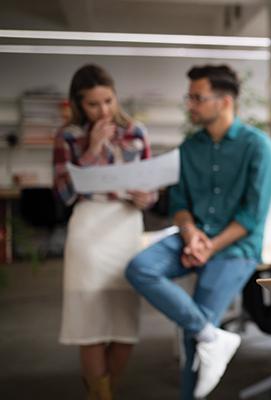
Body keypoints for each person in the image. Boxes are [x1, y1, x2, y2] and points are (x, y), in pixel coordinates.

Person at [125, 64, 271, 400]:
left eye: (197, 97)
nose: (189, 105)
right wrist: (191, 232)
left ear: (224, 101)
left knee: (190, 332)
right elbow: (179, 202)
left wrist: (210, 246)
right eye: (190, 97)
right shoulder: (189, 147)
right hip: (191, 237)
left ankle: (193, 376)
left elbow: (251, 217)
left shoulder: (258, 147)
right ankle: (213, 336)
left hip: (235, 247)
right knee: (140, 268)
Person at [54, 64, 158, 399]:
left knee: (124, 326)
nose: (104, 110)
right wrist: (92, 149)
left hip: (127, 226)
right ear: (78, 104)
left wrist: (148, 196)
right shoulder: (68, 136)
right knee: (90, 325)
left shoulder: (136, 132)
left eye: (108, 101)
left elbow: (150, 187)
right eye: (93, 104)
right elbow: (63, 194)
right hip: (88, 227)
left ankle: (103, 392)